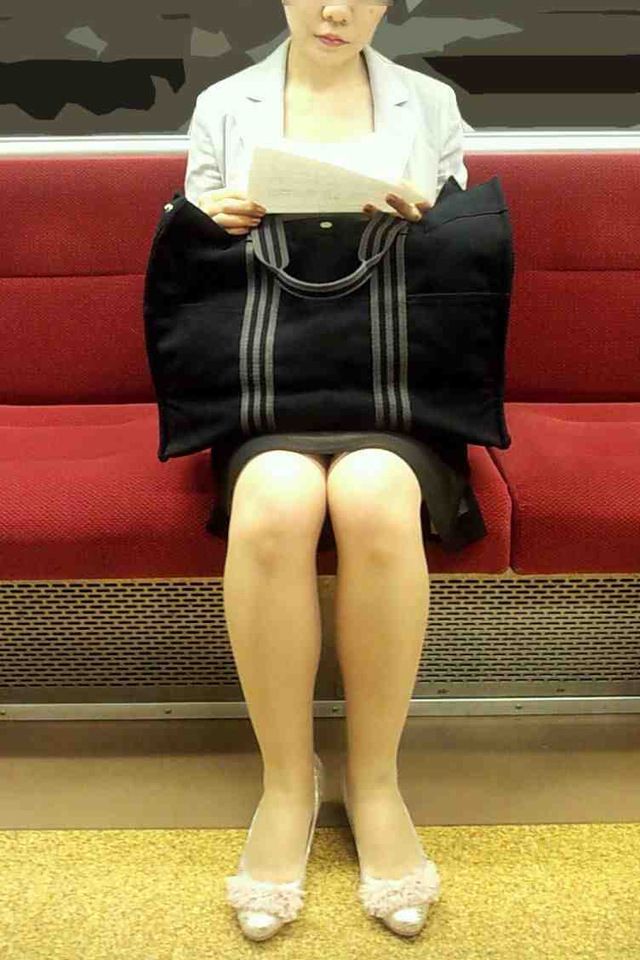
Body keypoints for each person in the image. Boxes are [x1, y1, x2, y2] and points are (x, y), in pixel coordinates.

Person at [184, 0, 485, 941]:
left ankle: (376, 781)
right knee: (275, 499)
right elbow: (194, 272)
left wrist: (427, 221)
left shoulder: (429, 104)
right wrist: (212, 222)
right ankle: (287, 784)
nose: (336, 10)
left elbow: (461, 267)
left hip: (394, 381)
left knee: (374, 492)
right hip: (270, 380)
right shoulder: (224, 104)